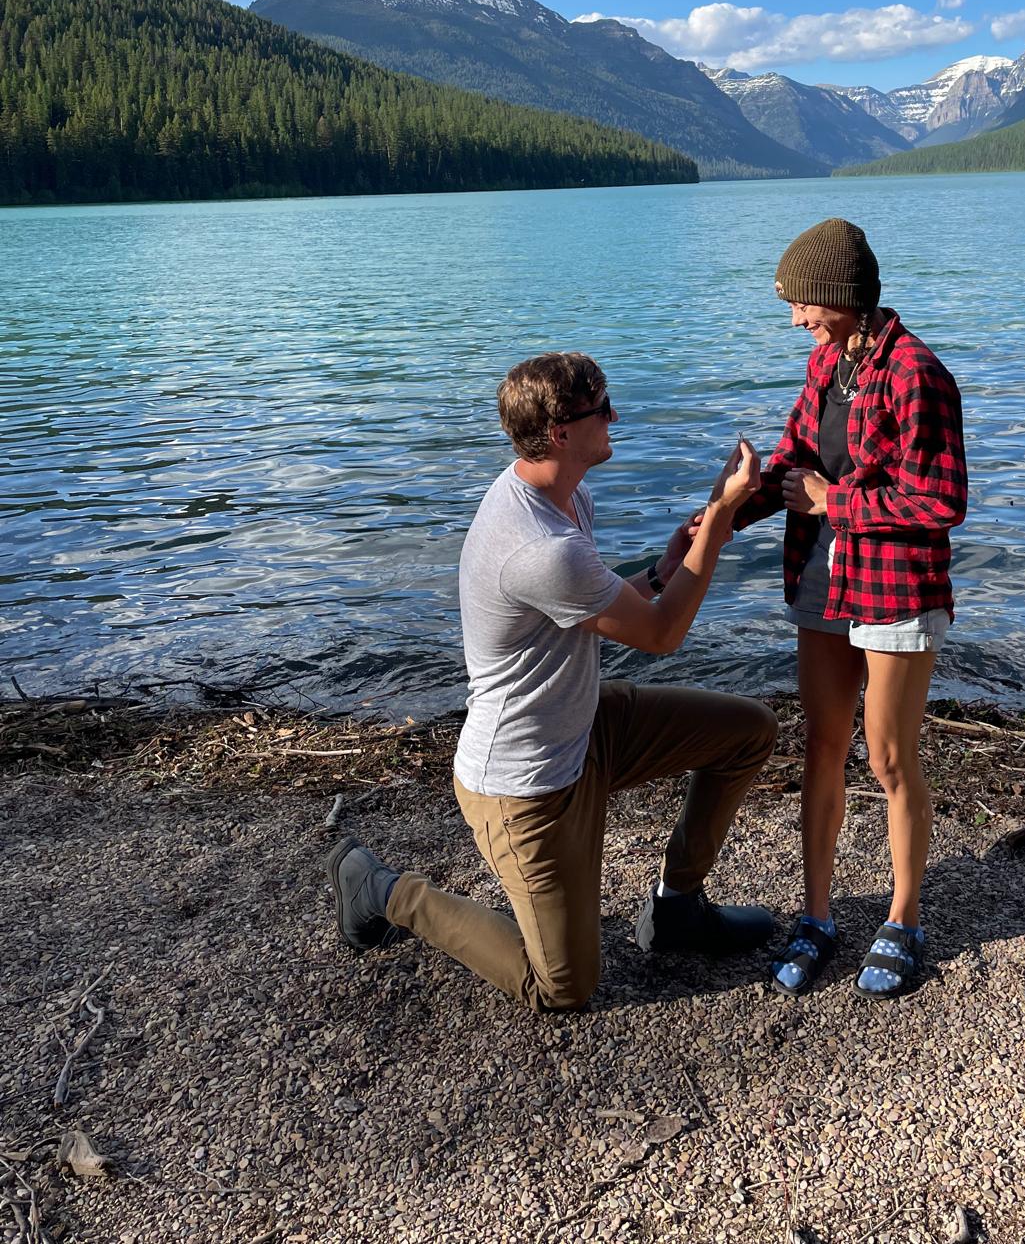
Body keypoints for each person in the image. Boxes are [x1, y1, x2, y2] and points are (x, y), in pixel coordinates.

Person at [327, 351, 778, 1013]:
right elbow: (660, 637)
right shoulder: (542, 545)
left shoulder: (560, 498)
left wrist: (666, 566)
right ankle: (385, 890)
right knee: (563, 987)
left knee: (747, 733)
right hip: (525, 784)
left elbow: (604, 608)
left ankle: (678, 908)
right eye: (603, 408)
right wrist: (716, 531)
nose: (615, 417)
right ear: (562, 432)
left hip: (586, 723)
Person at [733, 218, 966, 999]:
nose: (795, 317)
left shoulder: (917, 375)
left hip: (896, 584)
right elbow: (795, 463)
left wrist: (840, 502)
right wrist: (723, 516)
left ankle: (902, 920)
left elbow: (941, 499)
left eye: (802, 302)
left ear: (840, 297)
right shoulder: (827, 365)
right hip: (822, 579)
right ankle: (820, 916)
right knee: (822, 748)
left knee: (890, 757)